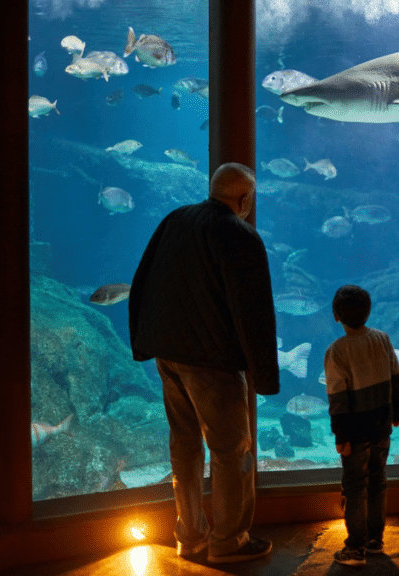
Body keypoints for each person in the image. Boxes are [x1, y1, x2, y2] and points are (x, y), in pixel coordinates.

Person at [128, 162, 279, 564]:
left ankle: (190, 535)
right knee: (231, 449)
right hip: (212, 363)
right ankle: (229, 542)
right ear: (244, 199)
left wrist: (145, 341)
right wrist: (262, 374)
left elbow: (143, 278)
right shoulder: (239, 234)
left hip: (167, 354)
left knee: (185, 443)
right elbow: (254, 311)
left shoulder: (175, 219)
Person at [322, 284, 399, 567]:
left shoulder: (336, 351)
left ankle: (356, 547)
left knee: (355, 485)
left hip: (356, 432)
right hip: (382, 426)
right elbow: (398, 379)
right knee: (378, 480)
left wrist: (341, 435)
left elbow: (338, 399)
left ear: (336, 316)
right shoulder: (382, 339)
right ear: (369, 312)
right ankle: (375, 540)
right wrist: (397, 411)